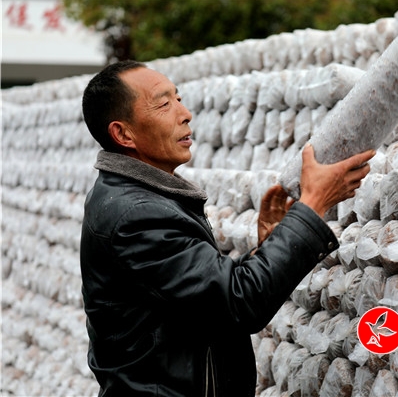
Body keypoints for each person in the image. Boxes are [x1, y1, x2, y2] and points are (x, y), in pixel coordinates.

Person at [79, 60, 375, 396]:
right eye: (164, 104)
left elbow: (206, 297)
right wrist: (313, 205)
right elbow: (240, 302)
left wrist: (270, 247)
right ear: (123, 134)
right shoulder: (136, 216)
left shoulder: (134, 198)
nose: (185, 114)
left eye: (178, 99)